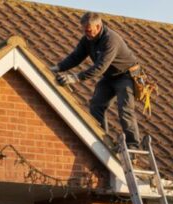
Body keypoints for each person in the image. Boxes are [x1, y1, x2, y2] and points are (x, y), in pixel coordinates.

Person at [50, 12, 141, 149]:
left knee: (125, 110)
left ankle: (133, 145)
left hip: (125, 76)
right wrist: (58, 68)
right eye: (84, 31)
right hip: (110, 77)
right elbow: (75, 57)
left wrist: (75, 77)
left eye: (89, 31)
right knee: (96, 104)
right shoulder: (87, 39)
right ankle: (102, 139)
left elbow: (100, 67)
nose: (86, 34)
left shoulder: (111, 40)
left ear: (98, 26)